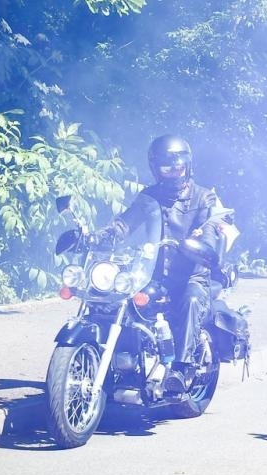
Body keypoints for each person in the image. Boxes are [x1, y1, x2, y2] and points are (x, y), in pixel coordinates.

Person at [94, 134, 232, 396]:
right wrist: (100, 236)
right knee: (123, 298)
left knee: (191, 300)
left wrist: (198, 245)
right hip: (153, 272)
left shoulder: (204, 198)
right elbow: (125, 223)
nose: (172, 173)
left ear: (187, 166)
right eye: (166, 168)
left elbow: (211, 232)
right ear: (156, 168)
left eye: (177, 167)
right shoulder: (150, 196)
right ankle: (123, 365)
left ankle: (179, 370)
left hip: (193, 274)